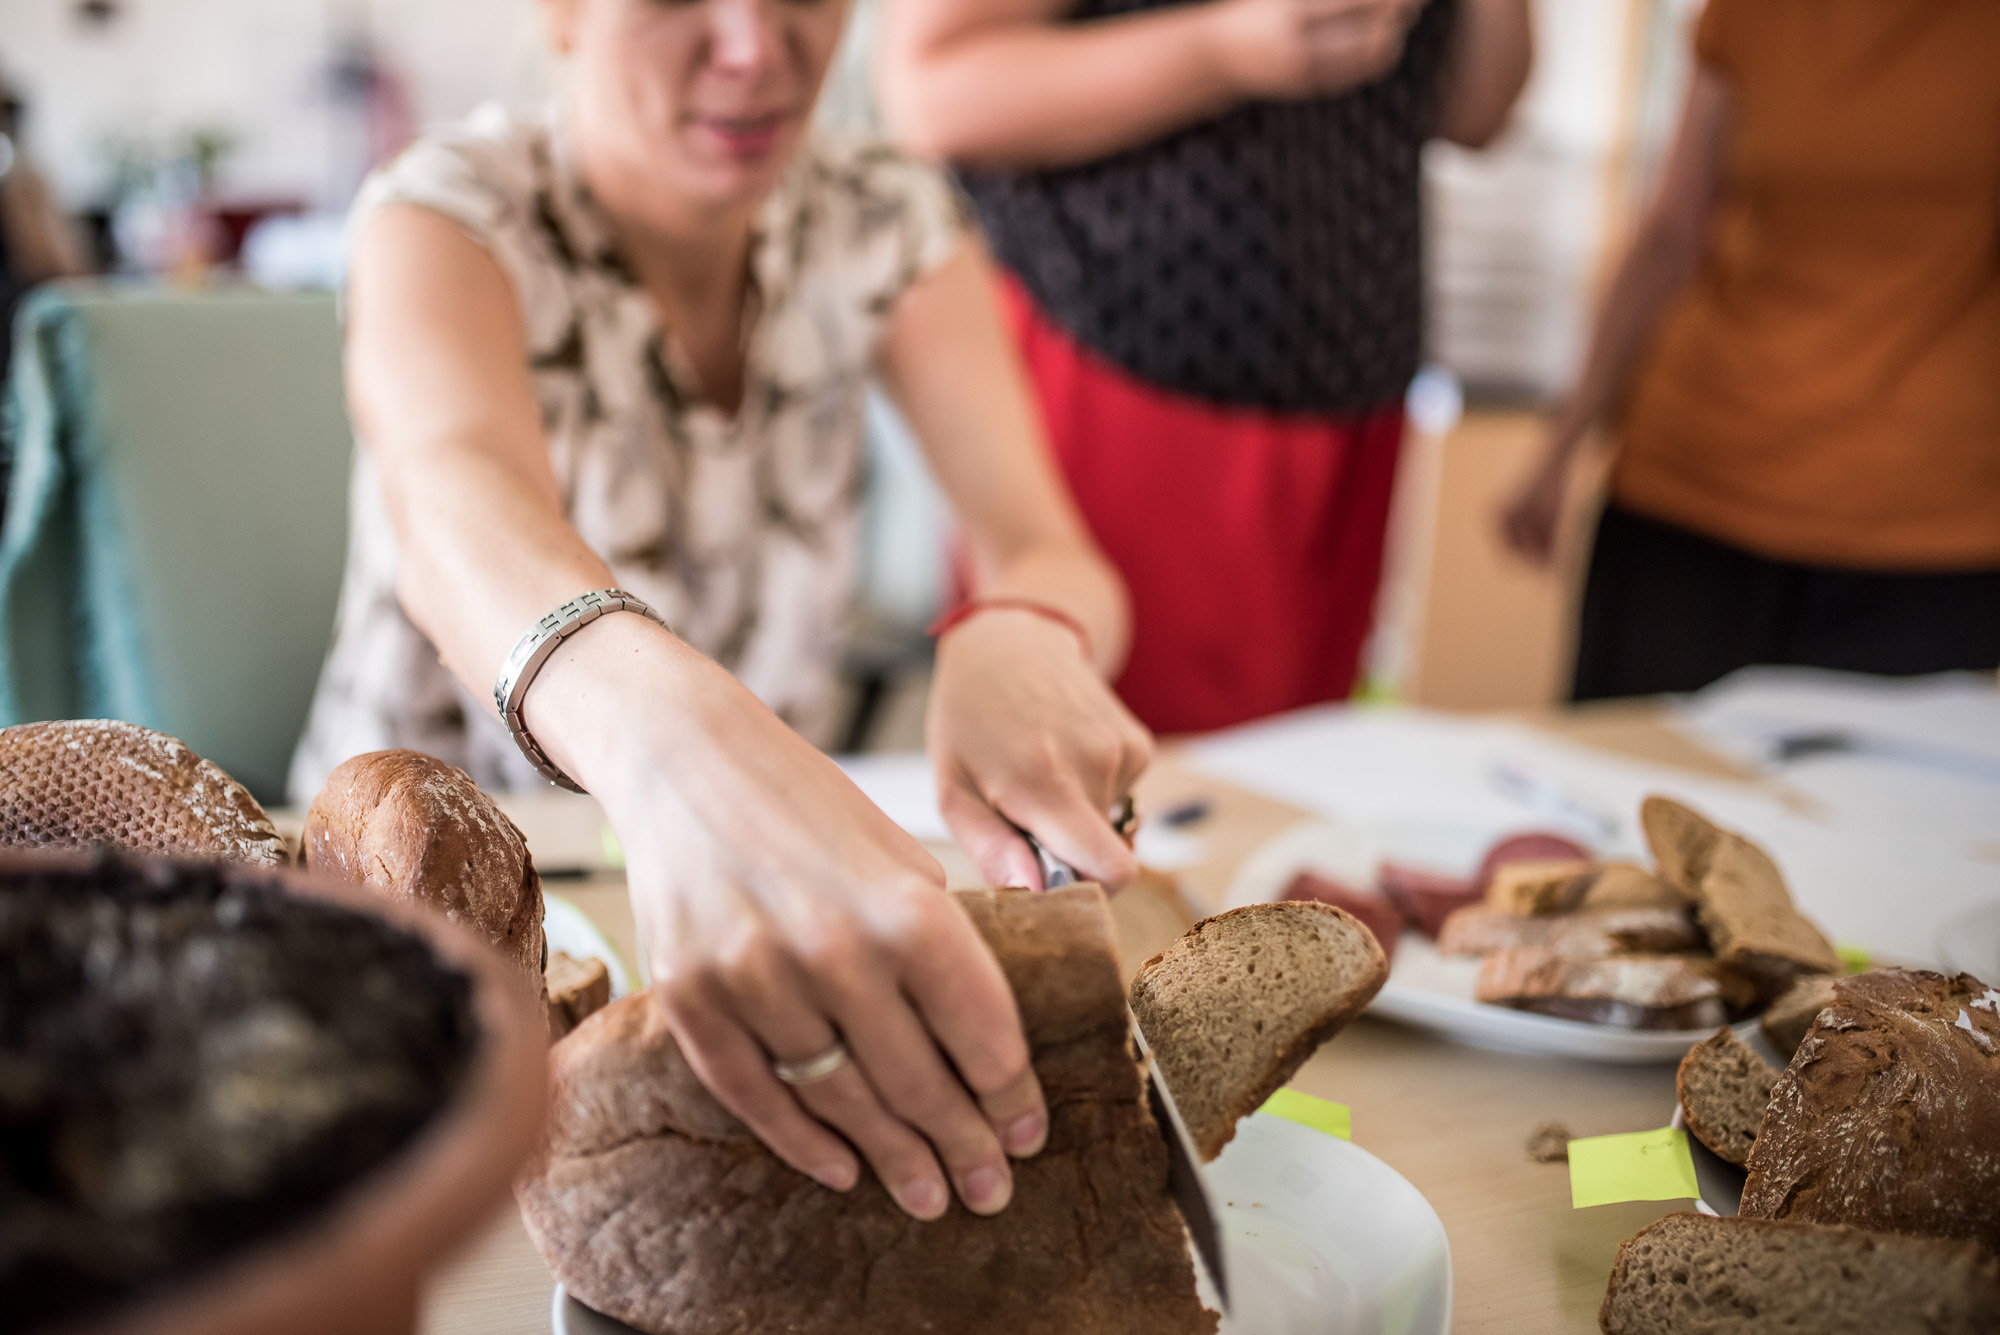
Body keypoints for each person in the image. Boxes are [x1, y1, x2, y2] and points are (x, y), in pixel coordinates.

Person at [289, 0, 1155, 1223]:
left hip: (747, 898)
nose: (755, 47)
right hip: (409, 921)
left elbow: (1046, 546)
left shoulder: (879, 211)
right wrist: (665, 744)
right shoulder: (441, 212)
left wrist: (1019, 628)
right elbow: (448, 503)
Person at [876, 0, 1530, 734]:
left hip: (1351, 395)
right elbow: (928, 94)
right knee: (1107, 770)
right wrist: (1220, 52)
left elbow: (1473, 113)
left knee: (1289, 781)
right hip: (1125, 370)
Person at [1502, 0, 2000, 698]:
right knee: (1630, 778)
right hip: (1691, 489)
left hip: (1928, 523)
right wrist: (1560, 446)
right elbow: (1670, 234)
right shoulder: (1753, 12)